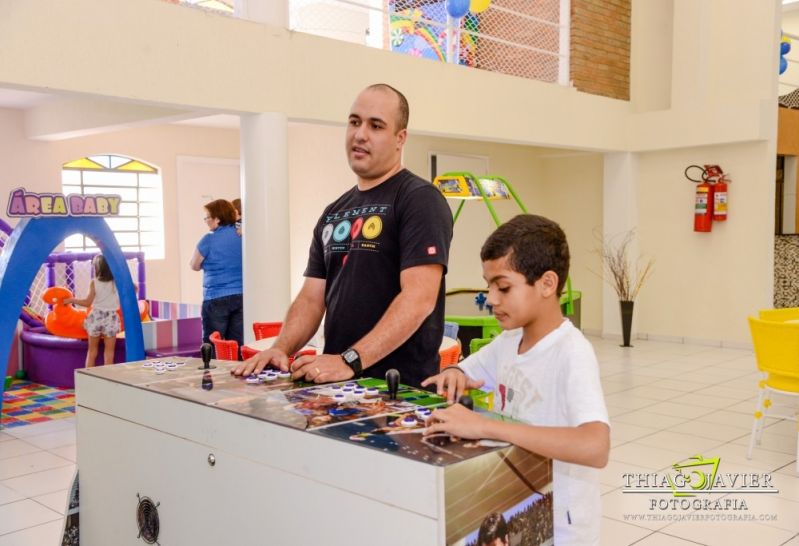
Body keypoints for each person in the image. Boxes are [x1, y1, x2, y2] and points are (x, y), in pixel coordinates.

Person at [233, 83, 453, 387]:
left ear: (400, 138)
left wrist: (350, 360)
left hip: (398, 389)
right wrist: (280, 348)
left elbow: (419, 298)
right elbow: (312, 298)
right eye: (354, 122)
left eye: (376, 125)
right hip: (337, 385)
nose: (360, 134)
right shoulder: (334, 211)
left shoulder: (419, 199)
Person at [421, 214, 609, 546]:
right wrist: (455, 374)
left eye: (504, 287)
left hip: (564, 527)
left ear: (547, 284)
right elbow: (467, 370)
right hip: (521, 508)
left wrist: (486, 427)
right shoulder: (509, 342)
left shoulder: (572, 353)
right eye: (489, 286)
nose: (492, 299)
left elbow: (595, 446)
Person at [190, 198, 243, 355]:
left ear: (217, 219)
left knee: (212, 344)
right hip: (241, 296)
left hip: (215, 298)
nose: (206, 221)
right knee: (237, 343)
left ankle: (212, 376)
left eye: (208, 217)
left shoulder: (209, 239)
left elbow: (194, 265)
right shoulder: (242, 235)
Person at [64, 254, 122, 367]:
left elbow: (87, 303)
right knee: (109, 352)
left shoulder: (94, 282)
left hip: (96, 317)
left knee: (91, 351)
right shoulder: (117, 282)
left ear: (97, 268)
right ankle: (108, 380)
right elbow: (134, 288)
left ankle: (87, 379)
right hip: (111, 318)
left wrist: (71, 300)